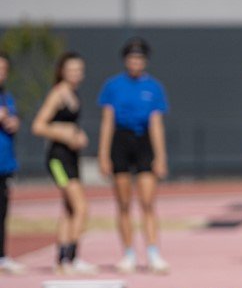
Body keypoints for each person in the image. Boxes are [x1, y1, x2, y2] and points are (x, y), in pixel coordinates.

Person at [98, 38, 170, 274]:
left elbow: (156, 123)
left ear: (145, 61)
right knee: (123, 202)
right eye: (131, 58)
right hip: (121, 140)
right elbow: (107, 121)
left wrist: (160, 156)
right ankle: (128, 253)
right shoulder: (113, 86)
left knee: (148, 202)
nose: (135, 62)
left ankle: (153, 252)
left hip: (144, 142)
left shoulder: (154, 87)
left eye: (139, 58)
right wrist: (103, 154)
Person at [31, 52, 97, 274]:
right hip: (58, 159)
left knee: (69, 209)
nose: (76, 74)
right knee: (81, 208)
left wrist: (77, 135)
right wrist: (65, 133)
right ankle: (71, 256)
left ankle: (61, 260)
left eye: (79, 70)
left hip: (71, 157)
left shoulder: (73, 94)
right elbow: (39, 125)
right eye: (71, 70)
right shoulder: (58, 94)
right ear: (62, 71)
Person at [0, 52, 24, 275]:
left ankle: (2, 256)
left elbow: (12, 118)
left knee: (3, 212)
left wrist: (13, 121)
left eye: (4, 69)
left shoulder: (7, 97)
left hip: (4, 163)